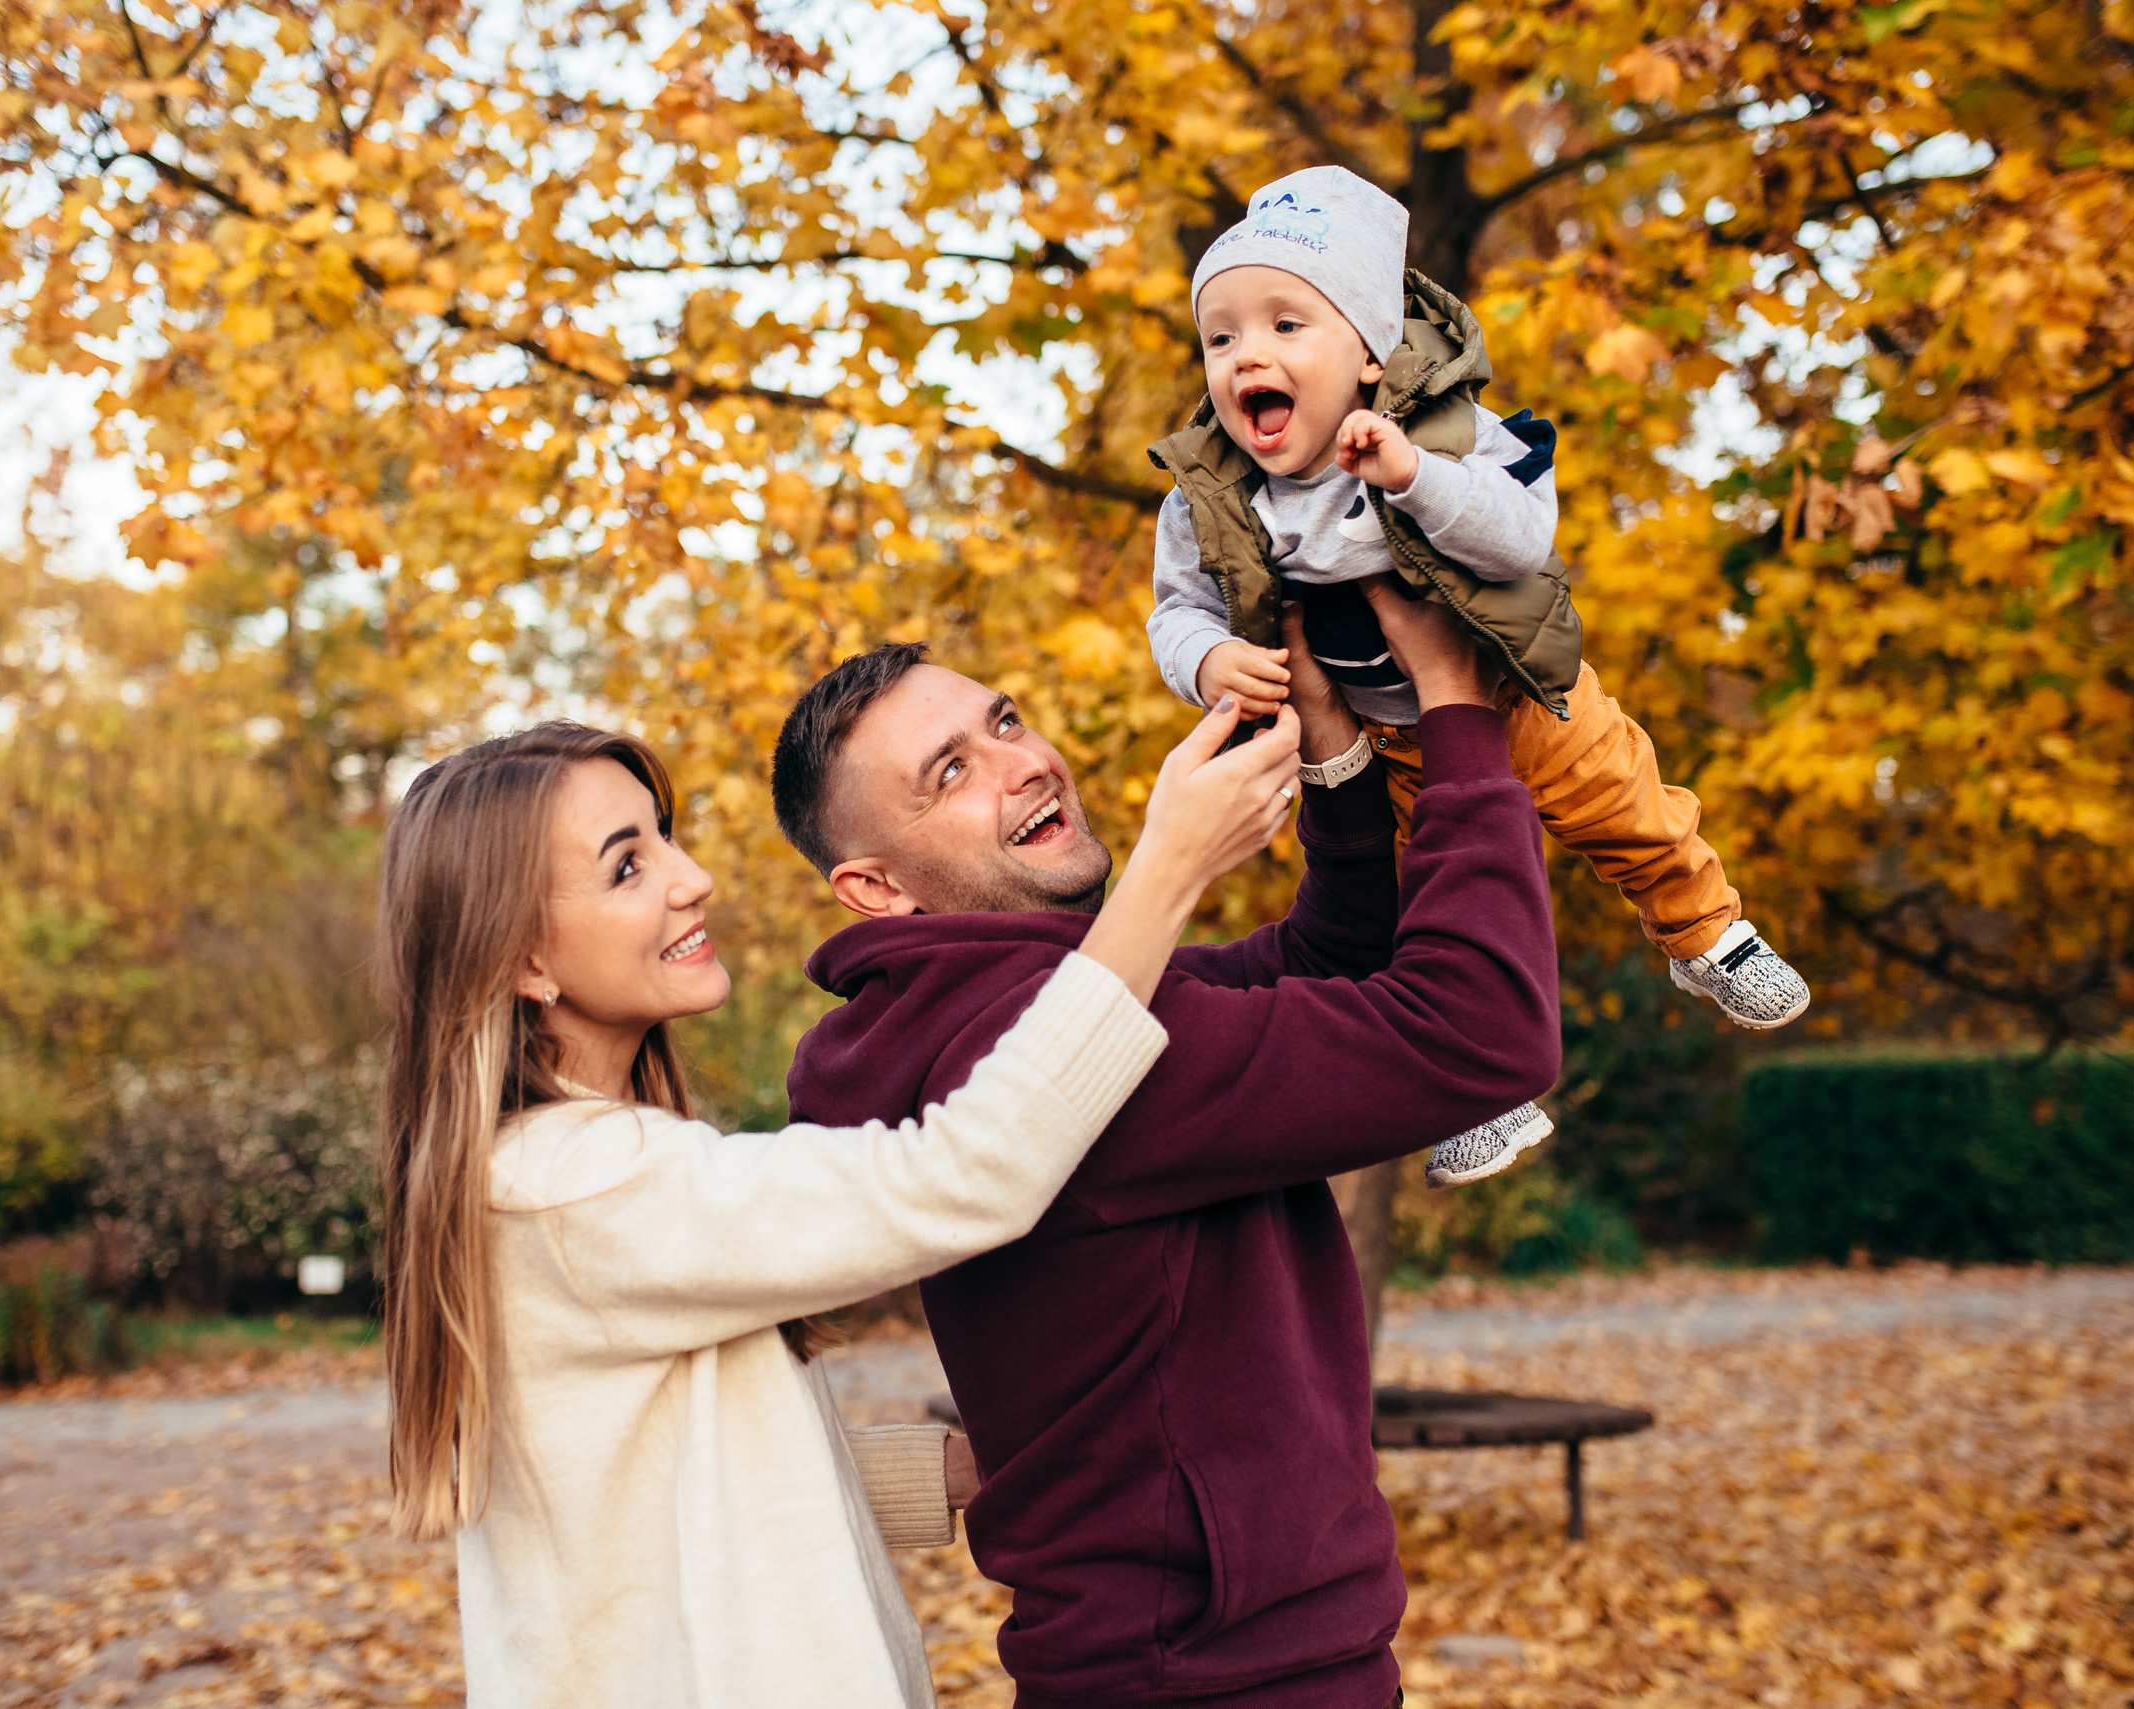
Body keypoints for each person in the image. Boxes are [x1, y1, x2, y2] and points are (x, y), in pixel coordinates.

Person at [372, 707, 1301, 1709]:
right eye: (626, 866)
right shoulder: (576, 1184)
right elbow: (968, 1171)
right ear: (523, 959)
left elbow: (642, 1482)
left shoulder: (542, 1176)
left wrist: (964, 1468)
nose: (692, 879)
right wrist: (1168, 867)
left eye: (665, 838)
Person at [777, 592, 1560, 1709]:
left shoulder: (1037, 1001)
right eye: (948, 773)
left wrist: (1333, 753)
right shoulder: (1019, 1042)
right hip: (1214, 1681)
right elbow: (1479, 1029)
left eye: (1004, 721)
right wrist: (1454, 704)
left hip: (1243, 1665)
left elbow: (1323, 962)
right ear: (876, 888)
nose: (1022, 764)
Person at [1145, 163, 1811, 1186]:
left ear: (1370, 354)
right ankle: (1481, 1097)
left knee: (1624, 804)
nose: (1247, 357)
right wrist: (1208, 659)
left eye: (1285, 324)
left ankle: (1706, 932)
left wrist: (1413, 476)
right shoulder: (1209, 498)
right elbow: (1175, 610)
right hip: (1388, 739)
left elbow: (1520, 539)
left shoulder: (1450, 437)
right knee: (1432, 902)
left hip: (1515, 689)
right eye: (1221, 337)